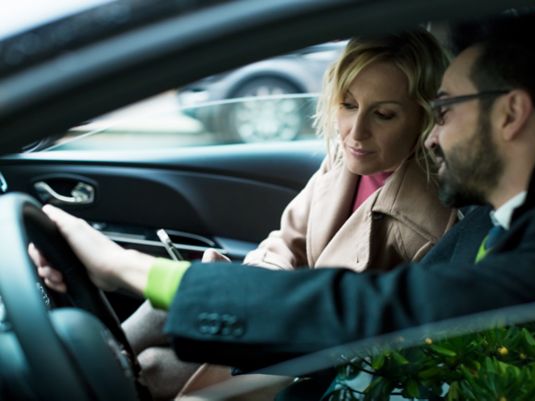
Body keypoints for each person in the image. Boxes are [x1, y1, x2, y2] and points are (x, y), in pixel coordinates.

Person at [32, 12, 535, 398]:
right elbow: (297, 246)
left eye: (444, 110)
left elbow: (380, 311)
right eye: (348, 105)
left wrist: (124, 267)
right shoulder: (520, 216)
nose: (432, 135)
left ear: (511, 113)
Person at [120, 30, 456, 399]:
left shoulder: (428, 225)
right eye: (347, 105)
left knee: (150, 361)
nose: (356, 132)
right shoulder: (345, 161)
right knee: (162, 310)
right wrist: (248, 279)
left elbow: (376, 346)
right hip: (280, 326)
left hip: (310, 362)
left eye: (384, 114)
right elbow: (286, 243)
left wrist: (250, 300)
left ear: (425, 117)